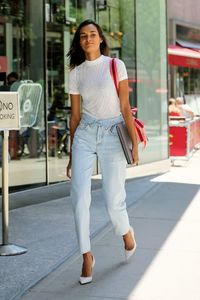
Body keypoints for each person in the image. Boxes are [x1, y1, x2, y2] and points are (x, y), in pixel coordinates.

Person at [66, 19, 138, 285]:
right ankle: (86, 256)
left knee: (112, 199)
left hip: (112, 133)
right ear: (79, 42)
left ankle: (125, 231)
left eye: (92, 34)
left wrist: (133, 142)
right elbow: (74, 117)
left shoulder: (114, 65)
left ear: (100, 38)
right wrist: (73, 154)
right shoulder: (76, 73)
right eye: (83, 36)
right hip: (84, 134)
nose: (88, 39)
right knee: (79, 198)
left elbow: (125, 105)